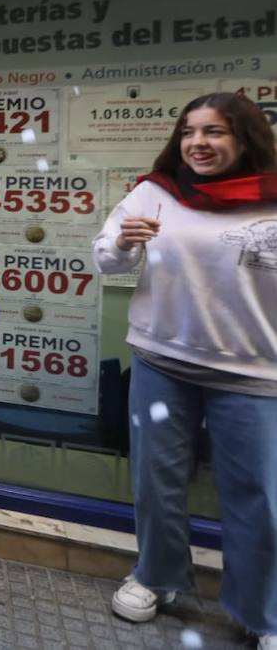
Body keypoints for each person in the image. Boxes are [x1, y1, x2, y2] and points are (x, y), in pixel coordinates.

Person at [92, 92, 277, 648]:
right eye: (190, 132)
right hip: (161, 361)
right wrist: (122, 241)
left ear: (244, 138)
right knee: (157, 481)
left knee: (259, 496)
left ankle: (260, 609)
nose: (199, 143)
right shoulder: (157, 192)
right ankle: (157, 576)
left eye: (215, 132)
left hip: (255, 371)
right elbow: (106, 257)